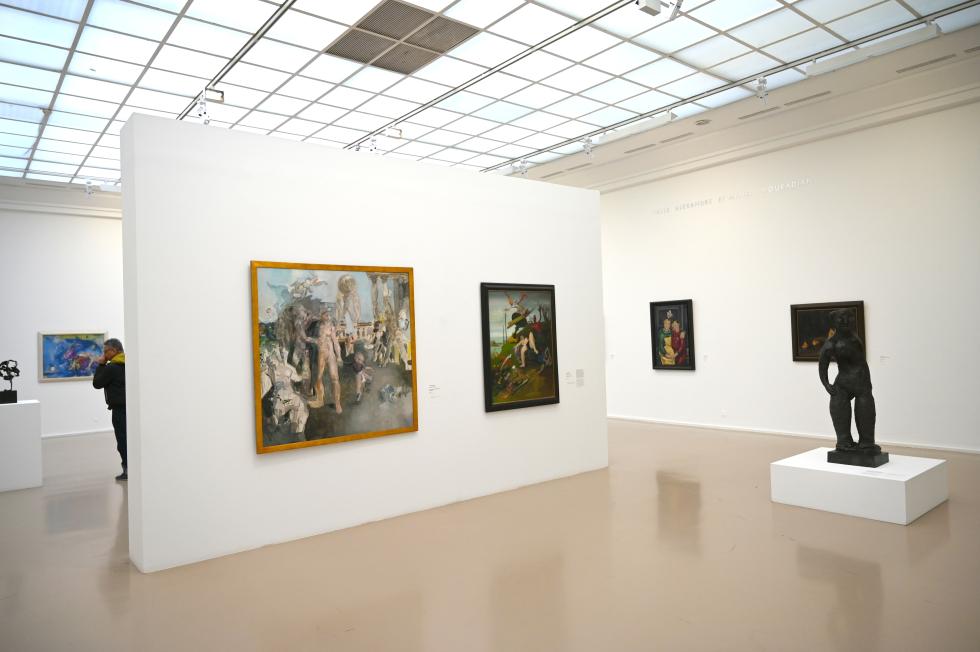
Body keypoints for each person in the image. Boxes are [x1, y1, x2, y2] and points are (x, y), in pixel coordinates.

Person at [93, 338, 127, 481]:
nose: (104, 354)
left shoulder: (111, 367)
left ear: (114, 351)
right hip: (130, 408)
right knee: (129, 438)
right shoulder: (128, 363)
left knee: (122, 440)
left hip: (119, 409)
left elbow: (97, 383)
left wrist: (101, 365)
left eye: (106, 351)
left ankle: (127, 470)